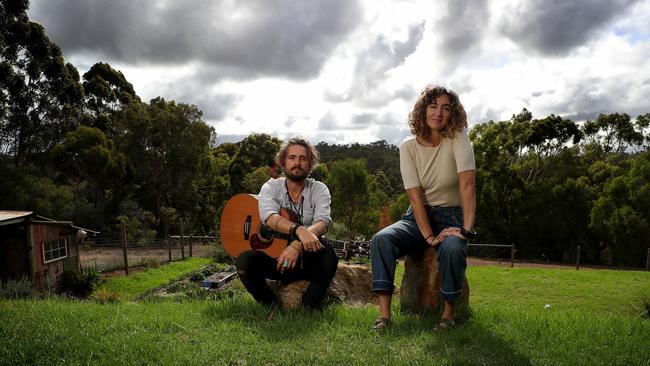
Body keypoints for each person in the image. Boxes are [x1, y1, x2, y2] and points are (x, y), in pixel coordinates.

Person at [370, 85, 476, 330]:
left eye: (446, 108)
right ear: (423, 110)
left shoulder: (458, 138)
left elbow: (468, 185)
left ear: (453, 113)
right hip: (416, 218)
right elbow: (415, 197)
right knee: (381, 239)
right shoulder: (407, 148)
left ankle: (448, 315)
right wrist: (428, 235)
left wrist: (466, 230)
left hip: (451, 216)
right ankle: (384, 317)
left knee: (451, 247)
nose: (438, 113)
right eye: (433, 106)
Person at [236, 137, 338, 310]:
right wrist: (299, 230)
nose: (297, 163)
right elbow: (270, 218)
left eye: (303, 158)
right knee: (244, 262)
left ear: (310, 163)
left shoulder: (319, 189)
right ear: (283, 161)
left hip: (306, 259)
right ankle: (272, 307)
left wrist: (298, 244)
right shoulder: (271, 187)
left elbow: (323, 221)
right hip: (276, 259)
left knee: (330, 257)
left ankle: (307, 309)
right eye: (291, 157)